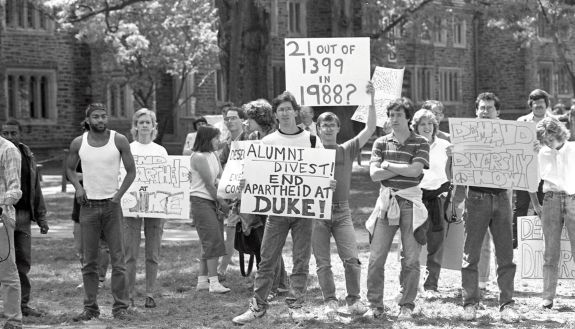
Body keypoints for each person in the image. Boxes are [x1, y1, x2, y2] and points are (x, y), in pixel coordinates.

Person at [232, 91, 323, 325]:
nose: (284, 113)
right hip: (277, 211)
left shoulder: (312, 140)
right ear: (276, 114)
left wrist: (327, 182)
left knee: (301, 260)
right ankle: (257, 306)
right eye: (280, 109)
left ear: (295, 111)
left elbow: (321, 172)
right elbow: (260, 176)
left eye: (288, 108)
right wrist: (248, 182)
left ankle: (297, 305)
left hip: (303, 210)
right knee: (267, 259)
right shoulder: (268, 142)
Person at [452, 92, 519, 323]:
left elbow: (522, 164)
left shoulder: (510, 136)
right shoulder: (466, 136)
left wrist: (529, 147)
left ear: (498, 112)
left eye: (489, 108)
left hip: (502, 198)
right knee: (471, 255)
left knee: (505, 256)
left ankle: (507, 304)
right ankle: (470, 303)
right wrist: (452, 157)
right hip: (476, 198)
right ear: (475, 111)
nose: (485, 111)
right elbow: (453, 175)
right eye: (481, 107)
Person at [66, 103, 136, 321]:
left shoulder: (119, 140)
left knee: (118, 259)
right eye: (95, 117)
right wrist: (78, 188)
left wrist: (118, 196)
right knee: (89, 261)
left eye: (104, 116)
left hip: (111, 205)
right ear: (88, 120)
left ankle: (120, 307)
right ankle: (90, 308)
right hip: (87, 207)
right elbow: (69, 168)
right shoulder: (79, 142)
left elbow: (131, 171)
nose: (100, 120)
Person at [312, 82, 376, 319]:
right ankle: (329, 301)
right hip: (316, 213)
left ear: (339, 128)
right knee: (322, 262)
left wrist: (371, 99)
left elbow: (369, 128)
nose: (328, 128)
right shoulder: (309, 153)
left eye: (332, 125)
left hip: (342, 212)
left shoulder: (347, 149)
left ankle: (354, 301)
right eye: (323, 125)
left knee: (351, 258)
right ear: (317, 129)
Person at [364, 97, 429, 320]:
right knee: (376, 257)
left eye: (399, 114)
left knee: (410, 259)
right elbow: (374, 175)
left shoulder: (420, 142)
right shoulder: (380, 142)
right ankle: (375, 305)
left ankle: (407, 305)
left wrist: (388, 165)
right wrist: (406, 169)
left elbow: (415, 172)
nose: (394, 119)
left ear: (408, 117)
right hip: (386, 202)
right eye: (391, 115)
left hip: (411, 203)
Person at [1, 119, 48, 317]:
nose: (10, 137)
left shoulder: (27, 154)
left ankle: (23, 304)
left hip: (23, 215)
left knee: (23, 262)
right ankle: (7, 305)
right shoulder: (3, 152)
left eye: (14, 133)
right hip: (4, 214)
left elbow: (35, 188)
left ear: (20, 133)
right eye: (6, 133)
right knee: (5, 261)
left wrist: (41, 216)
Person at [244, 99, 289, 301]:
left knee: (269, 243)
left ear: (259, 118)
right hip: (257, 193)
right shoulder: (252, 136)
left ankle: (274, 285)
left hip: (274, 194)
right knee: (265, 242)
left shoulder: (275, 136)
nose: (246, 122)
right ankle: (281, 284)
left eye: (249, 118)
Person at [124, 109, 168, 309]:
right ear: (135, 126)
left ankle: (150, 293)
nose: (143, 125)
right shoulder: (127, 148)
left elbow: (168, 178)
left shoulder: (160, 151)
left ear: (153, 126)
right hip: (131, 206)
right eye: (140, 122)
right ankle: (129, 294)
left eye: (147, 122)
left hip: (155, 206)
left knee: (152, 253)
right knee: (130, 253)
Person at [532, 116, 574, 310]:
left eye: (550, 136)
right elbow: (532, 179)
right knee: (550, 250)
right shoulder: (541, 153)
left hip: (572, 198)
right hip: (551, 199)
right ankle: (548, 296)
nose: (548, 140)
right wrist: (536, 205)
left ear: (558, 132)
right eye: (544, 138)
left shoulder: (573, 149)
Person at [409, 109, 451, 297]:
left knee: (436, 244)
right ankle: (409, 284)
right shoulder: (410, 145)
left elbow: (455, 172)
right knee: (413, 242)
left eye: (429, 124)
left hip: (438, 199)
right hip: (416, 198)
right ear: (415, 127)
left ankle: (431, 285)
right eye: (422, 124)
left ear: (435, 125)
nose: (426, 127)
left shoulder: (445, 145)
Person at [190, 125, 230, 294]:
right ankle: (213, 282)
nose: (218, 141)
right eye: (216, 138)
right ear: (207, 139)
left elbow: (220, 177)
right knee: (213, 241)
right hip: (201, 201)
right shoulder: (198, 157)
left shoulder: (213, 154)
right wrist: (222, 203)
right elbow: (208, 185)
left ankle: (202, 281)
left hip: (212, 200)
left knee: (210, 241)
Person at [513, 89, 549, 248]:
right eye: (536, 105)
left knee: (542, 205)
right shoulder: (522, 121)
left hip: (545, 171)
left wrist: (543, 146)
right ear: (531, 106)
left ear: (546, 105)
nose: (539, 107)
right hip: (525, 169)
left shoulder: (554, 122)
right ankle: (516, 240)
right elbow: (514, 144)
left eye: (541, 104)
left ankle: (536, 240)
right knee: (520, 205)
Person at [218, 106, 248, 278]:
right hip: (234, 195)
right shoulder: (228, 142)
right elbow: (221, 163)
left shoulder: (251, 138)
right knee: (230, 229)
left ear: (242, 120)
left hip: (251, 193)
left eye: (233, 118)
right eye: (227, 119)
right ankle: (222, 268)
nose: (229, 121)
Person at [71, 161, 110, 291]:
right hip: (81, 208)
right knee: (80, 248)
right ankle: (88, 278)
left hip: (105, 207)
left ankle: (99, 279)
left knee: (101, 246)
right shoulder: (82, 154)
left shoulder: (112, 153)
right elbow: (72, 174)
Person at [0, 134, 23, 329]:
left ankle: (13, 320)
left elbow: (15, 188)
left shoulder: (7, 150)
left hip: (2, 217)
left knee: (7, 270)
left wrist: (3, 202)